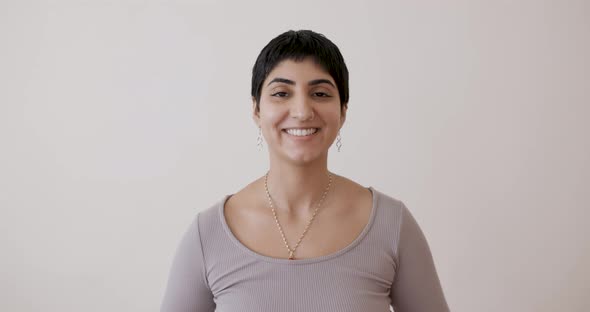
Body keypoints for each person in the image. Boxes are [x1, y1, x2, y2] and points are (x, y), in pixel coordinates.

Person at [160, 30, 450, 312]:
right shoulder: (208, 234)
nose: (301, 110)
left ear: (343, 111)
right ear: (257, 110)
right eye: (282, 93)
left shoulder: (392, 225)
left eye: (320, 93)